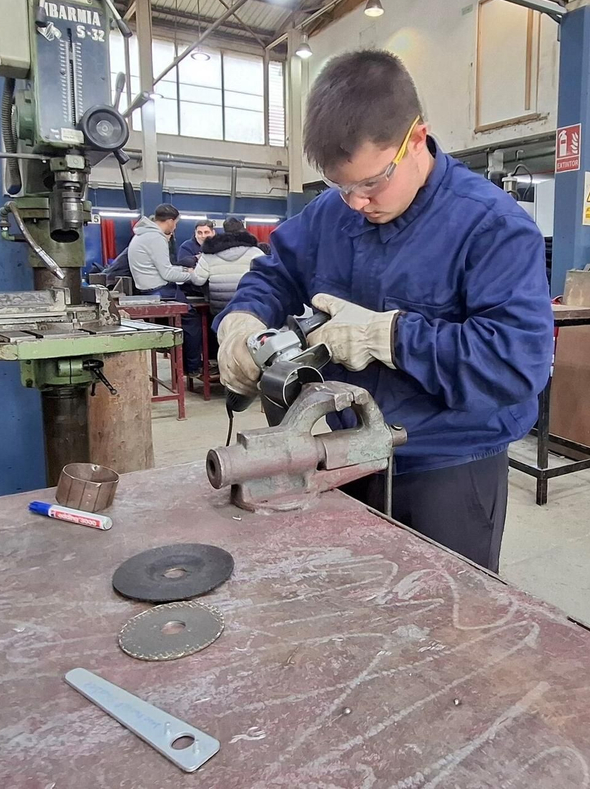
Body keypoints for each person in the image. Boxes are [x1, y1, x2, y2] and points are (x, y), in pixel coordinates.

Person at [216, 50, 553, 572]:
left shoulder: (492, 227)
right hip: (344, 455)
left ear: (417, 138)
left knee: (445, 610)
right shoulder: (331, 214)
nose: (356, 202)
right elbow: (274, 273)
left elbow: (516, 363)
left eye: (371, 183)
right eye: (341, 186)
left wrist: (389, 337)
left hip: (447, 467)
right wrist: (243, 320)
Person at [127, 204, 202, 376]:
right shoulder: (156, 237)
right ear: (169, 221)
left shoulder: (142, 234)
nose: (175, 228)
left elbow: (162, 268)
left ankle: (183, 363)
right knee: (192, 318)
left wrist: (184, 270)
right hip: (160, 291)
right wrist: (193, 275)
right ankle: (192, 367)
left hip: (147, 289)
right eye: (175, 223)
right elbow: (167, 273)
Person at [189, 217, 265, 310]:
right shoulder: (256, 253)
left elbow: (198, 281)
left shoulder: (209, 254)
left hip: (220, 308)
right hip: (247, 306)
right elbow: (267, 278)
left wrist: (191, 272)